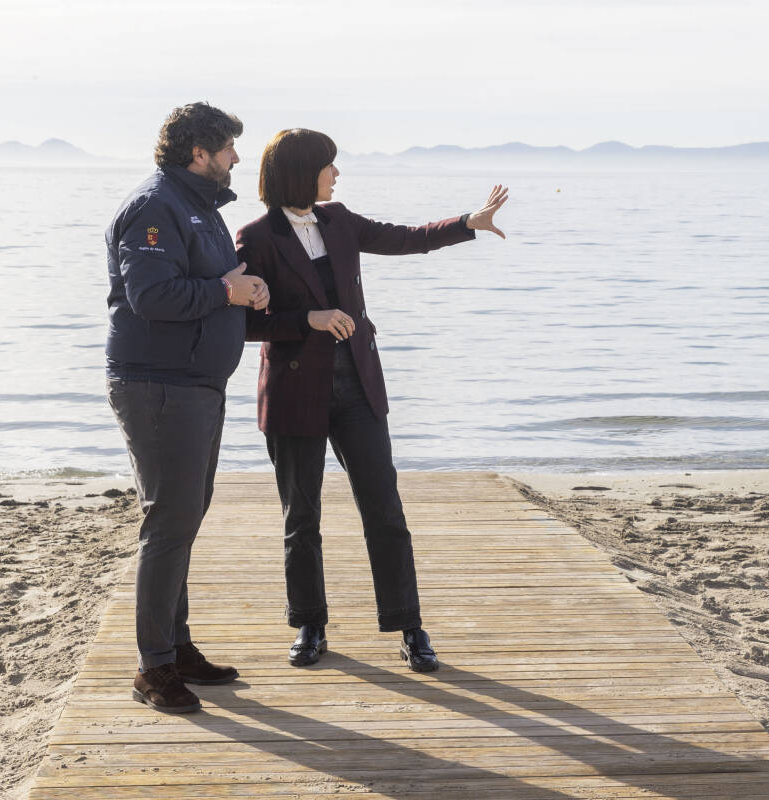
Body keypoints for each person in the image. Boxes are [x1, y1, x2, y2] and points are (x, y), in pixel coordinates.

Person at [235, 128, 508, 672]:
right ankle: (310, 624)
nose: (337, 175)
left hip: (357, 384)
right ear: (301, 171)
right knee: (301, 517)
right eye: (329, 166)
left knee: (385, 509)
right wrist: (306, 320)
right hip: (294, 393)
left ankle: (409, 625)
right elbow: (244, 321)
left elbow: (402, 237)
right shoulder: (255, 236)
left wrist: (466, 224)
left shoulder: (338, 220)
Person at [105, 102, 269, 713]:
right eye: (228, 147)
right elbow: (150, 295)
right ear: (198, 152)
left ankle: (175, 647)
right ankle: (153, 669)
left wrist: (244, 293)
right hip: (159, 384)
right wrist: (227, 290)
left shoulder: (198, 209)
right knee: (169, 523)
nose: (235, 158)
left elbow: (205, 289)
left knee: (184, 520)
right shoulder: (155, 205)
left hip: (195, 383)